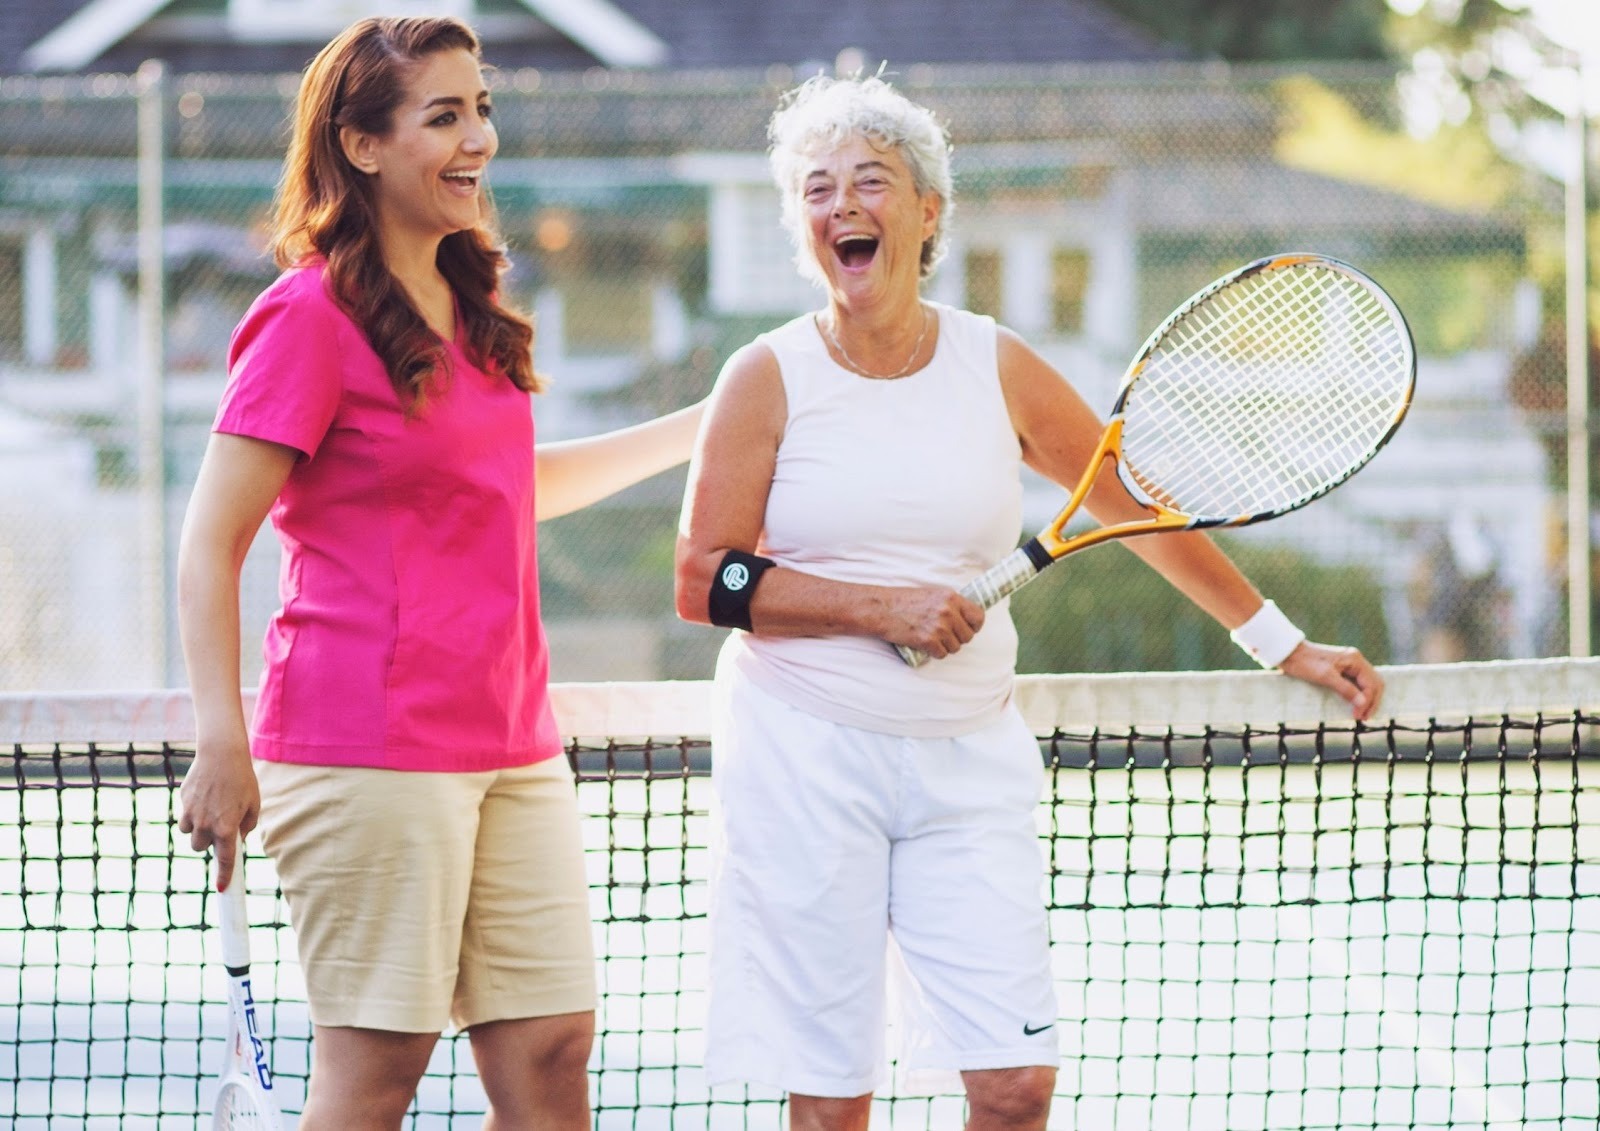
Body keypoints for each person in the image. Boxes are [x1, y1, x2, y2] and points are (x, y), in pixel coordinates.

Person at [674, 74, 1385, 1131]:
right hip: (802, 756)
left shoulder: (994, 362)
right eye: (815, 191)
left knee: (1013, 1091)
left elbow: (1141, 511)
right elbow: (707, 581)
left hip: (969, 763)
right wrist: (881, 612)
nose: (841, 208)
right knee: (831, 1107)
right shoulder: (764, 376)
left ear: (927, 211)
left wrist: (1281, 645)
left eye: (870, 181)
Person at [176, 17, 702, 1130]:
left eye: (484, 110)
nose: (480, 141)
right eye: (445, 115)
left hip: (513, 744)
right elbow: (210, 541)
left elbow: (507, 482)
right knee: (375, 1084)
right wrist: (221, 740)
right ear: (362, 146)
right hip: (366, 747)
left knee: (555, 1053)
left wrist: (704, 427)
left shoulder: (469, 311)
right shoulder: (307, 318)